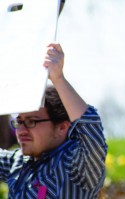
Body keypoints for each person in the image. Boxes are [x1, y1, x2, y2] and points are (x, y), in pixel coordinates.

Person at [1, 43, 107, 199]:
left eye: (31, 122)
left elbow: (89, 126)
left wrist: (58, 78)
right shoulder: (17, 162)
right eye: (19, 122)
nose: (21, 131)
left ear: (62, 127)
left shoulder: (76, 166)